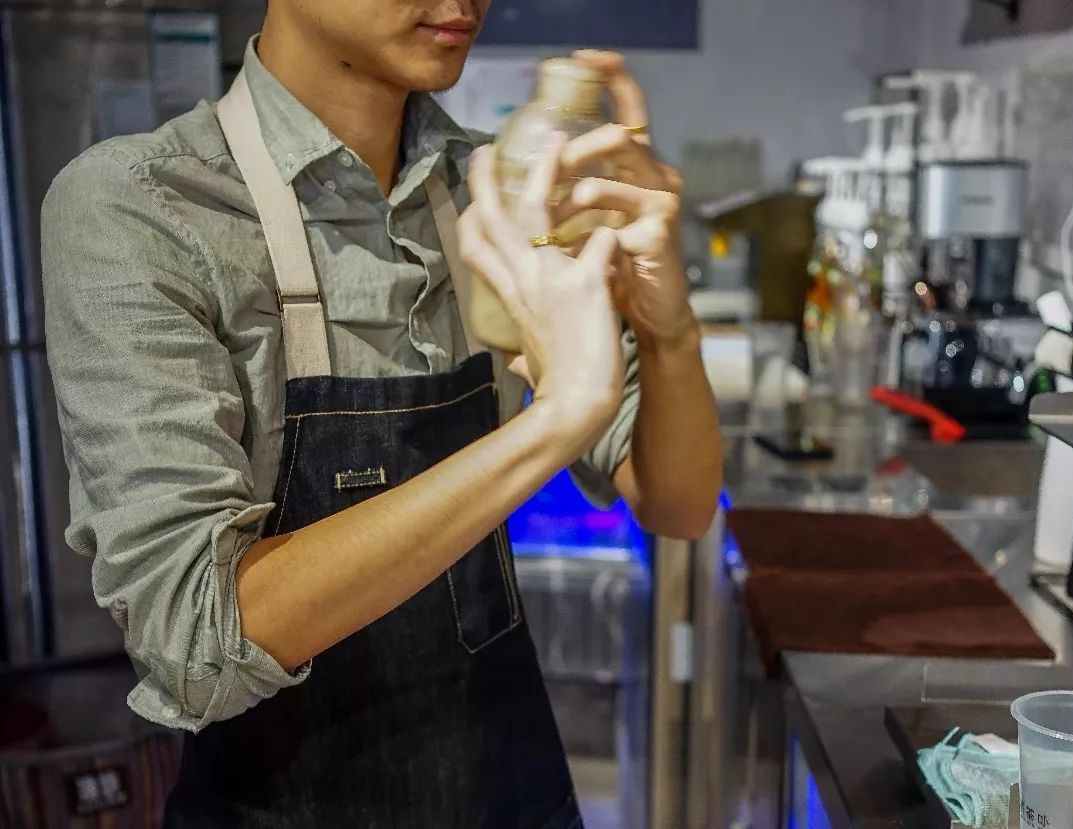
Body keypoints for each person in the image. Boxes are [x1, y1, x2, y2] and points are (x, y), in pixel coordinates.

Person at [40, 0, 722, 825]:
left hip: (511, 795)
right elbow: (196, 640)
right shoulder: (145, 207)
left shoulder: (498, 193)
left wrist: (668, 328)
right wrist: (555, 420)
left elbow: (679, 504)